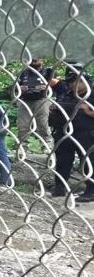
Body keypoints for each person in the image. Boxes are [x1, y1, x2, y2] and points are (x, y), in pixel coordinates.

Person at [49, 63, 94, 201]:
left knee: (88, 161)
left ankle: (91, 191)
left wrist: (88, 111)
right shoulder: (66, 93)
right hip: (64, 131)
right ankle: (60, 187)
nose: (73, 84)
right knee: (63, 160)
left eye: (77, 81)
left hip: (86, 133)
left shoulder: (92, 94)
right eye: (71, 81)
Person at [16, 57, 60, 148]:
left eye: (37, 58)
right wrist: (19, 88)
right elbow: (14, 87)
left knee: (43, 123)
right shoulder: (23, 72)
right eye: (32, 58)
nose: (34, 60)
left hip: (42, 99)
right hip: (25, 100)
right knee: (23, 124)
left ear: (42, 60)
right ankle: (22, 145)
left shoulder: (49, 72)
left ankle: (46, 145)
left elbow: (60, 86)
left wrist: (47, 87)